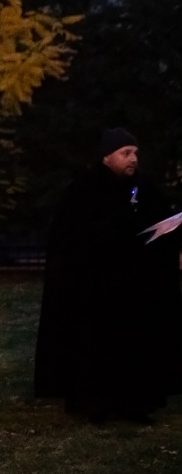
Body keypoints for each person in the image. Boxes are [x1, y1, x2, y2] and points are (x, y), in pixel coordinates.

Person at [33, 127, 182, 423]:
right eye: (125, 153)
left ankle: (136, 402)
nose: (133, 159)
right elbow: (70, 239)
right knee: (96, 347)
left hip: (138, 288)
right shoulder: (83, 191)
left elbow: (160, 224)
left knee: (138, 345)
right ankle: (95, 403)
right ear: (106, 158)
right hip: (96, 290)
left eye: (135, 153)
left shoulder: (146, 188)